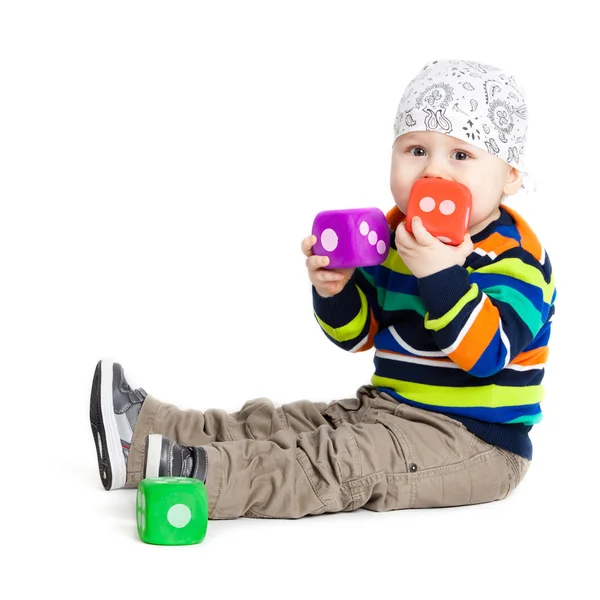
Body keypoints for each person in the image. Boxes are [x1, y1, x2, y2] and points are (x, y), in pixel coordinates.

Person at [89, 59, 556, 519]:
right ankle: (146, 434)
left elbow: (487, 356)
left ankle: (197, 473)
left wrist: (441, 276)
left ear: (509, 176)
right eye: (416, 150)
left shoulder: (516, 259)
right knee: (284, 422)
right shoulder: (394, 235)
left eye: (461, 155)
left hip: (475, 441)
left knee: (333, 460)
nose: (433, 172)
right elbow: (358, 336)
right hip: (388, 406)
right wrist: (336, 291)